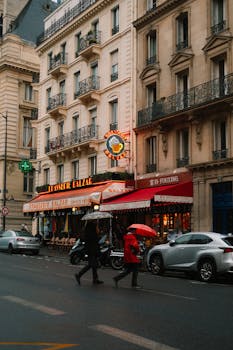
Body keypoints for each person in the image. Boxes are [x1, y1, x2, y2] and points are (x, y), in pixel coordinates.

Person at [75, 221, 103, 285]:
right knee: (91, 264)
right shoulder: (92, 234)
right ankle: (79, 275)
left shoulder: (89, 233)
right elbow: (94, 243)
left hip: (92, 251)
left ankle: (95, 279)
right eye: (96, 226)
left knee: (94, 265)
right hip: (92, 251)